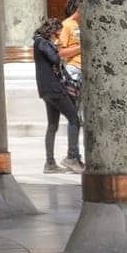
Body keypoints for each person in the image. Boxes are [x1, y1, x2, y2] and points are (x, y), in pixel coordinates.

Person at [34, 17, 84, 173]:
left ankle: (50, 163)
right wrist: (57, 46)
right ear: (52, 31)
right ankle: (71, 158)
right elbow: (56, 58)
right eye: (58, 33)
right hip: (54, 89)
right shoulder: (42, 42)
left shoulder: (40, 42)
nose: (58, 36)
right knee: (74, 119)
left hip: (47, 90)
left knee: (53, 125)